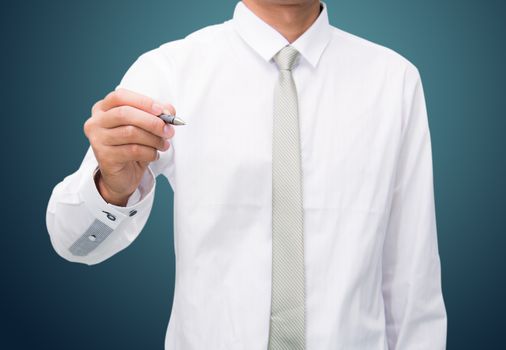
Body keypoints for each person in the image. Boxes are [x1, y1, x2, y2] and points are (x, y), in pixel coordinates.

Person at [46, 0, 447, 349]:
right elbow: (74, 244)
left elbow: (413, 279)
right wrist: (111, 189)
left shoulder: (394, 81)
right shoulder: (168, 72)